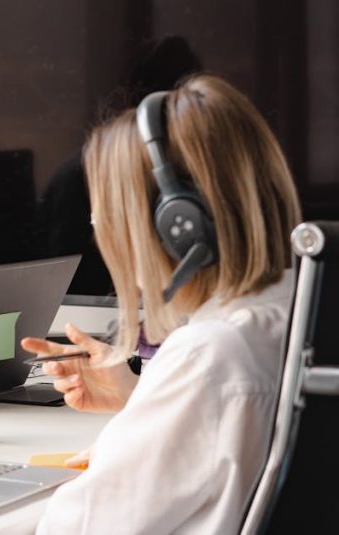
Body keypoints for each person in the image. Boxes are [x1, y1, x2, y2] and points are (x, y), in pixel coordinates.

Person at [21, 74, 302, 533]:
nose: (102, 231)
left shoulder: (209, 356)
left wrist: (122, 441)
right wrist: (140, 400)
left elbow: (77, 527)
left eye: (106, 214)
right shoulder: (298, 314)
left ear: (179, 223)